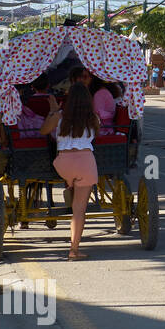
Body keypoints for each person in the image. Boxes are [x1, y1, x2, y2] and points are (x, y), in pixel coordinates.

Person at [41, 84, 99, 261]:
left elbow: (43, 131)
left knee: (70, 180)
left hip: (63, 163)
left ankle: (69, 185)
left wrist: (52, 111)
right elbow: (95, 135)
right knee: (79, 210)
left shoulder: (59, 117)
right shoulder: (93, 119)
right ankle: (74, 250)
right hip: (85, 163)